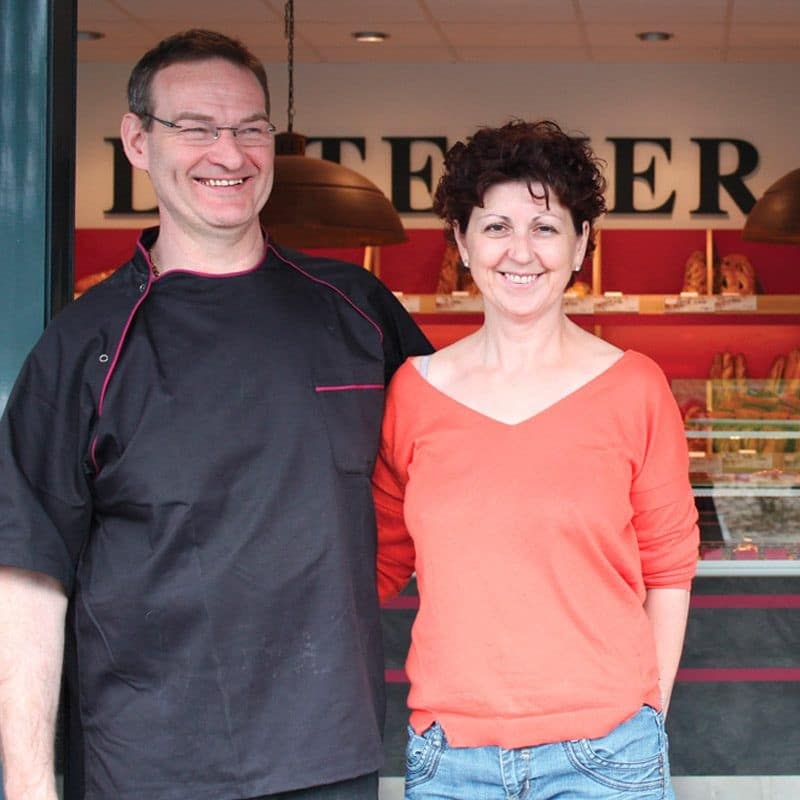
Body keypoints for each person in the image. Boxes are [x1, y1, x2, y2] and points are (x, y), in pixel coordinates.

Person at [0, 29, 431, 800]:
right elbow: (27, 580)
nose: (228, 155)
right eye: (197, 128)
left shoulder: (357, 311)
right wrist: (30, 786)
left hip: (329, 752)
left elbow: (458, 469)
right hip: (149, 762)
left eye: (250, 129)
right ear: (138, 140)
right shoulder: (81, 347)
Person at [372, 120, 699, 799]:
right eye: (496, 228)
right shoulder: (414, 391)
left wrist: (648, 714)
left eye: (546, 228)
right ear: (462, 242)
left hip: (606, 752)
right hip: (451, 756)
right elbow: (376, 560)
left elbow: (669, 567)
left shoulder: (635, 387)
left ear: (581, 245)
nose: (520, 252)